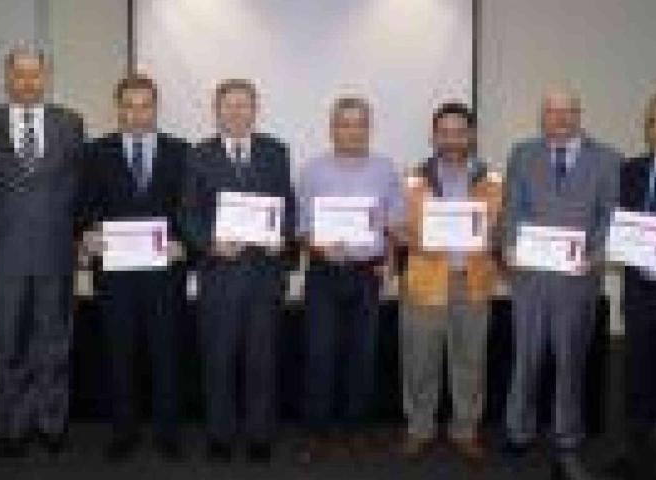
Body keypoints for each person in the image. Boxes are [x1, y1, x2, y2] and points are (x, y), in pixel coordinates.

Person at [0, 47, 86, 458]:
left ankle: (52, 424)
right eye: (19, 75)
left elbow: (77, 186)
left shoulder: (70, 122)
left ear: (46, 78)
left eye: (35, 75)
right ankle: (14, 426)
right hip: (8, 255)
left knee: (54, 343)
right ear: (7, 78)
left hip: (57, 252)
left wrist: (73, 234)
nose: (27, 82)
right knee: (11, 343)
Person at [502, 87, 620, 480]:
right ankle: (519, 430)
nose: (560, 119)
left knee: (570, 362)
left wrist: (596, 256)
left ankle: (567, 438)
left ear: (579, 114)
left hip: (578, 280)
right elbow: (511, 210)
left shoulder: (607, 159)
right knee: (526, 358)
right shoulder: (522, 153)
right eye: (552, 112)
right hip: (530, 278)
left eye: (568, 111)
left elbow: (610, 218)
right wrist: (509, 246)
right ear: (542, 116)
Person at [183, 79, 295, 462]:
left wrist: (283, 237)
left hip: (264, 275)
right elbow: (188, 213)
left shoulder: (275, 152)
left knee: (262, 362)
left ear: (255, 109)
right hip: (219, 276)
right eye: (228, 106)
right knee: (218, 360)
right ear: (217, 110)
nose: (236, 112)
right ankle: (219, 435)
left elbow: (288, 207)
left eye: (244, 105)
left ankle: (260, 436)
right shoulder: (198, 155)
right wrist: (212, 244)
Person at [84, 74, 189, 461]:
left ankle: (168, 433)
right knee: (119, 355)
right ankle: (123, 431)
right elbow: (84, 205)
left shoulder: (182, 152)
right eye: (129, 105)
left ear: (155, 108)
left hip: (165, 274)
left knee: (166, 355)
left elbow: (190, 210)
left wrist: (186, 244)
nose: (137, 113)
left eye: (145, 105)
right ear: (118, 108)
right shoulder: (95, 152)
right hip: (114, 277)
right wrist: (87, 234)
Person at [294, 96, 404, 462]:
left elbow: (394, 225)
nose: (352, 130)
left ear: (368, 128)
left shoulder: (387, 170)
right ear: (333, 128)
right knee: (319, 355)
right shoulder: (311, 171)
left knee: (362, 355)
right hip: (324, 273)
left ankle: (357, 429)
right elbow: (301, 229)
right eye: (345, 123)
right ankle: (315, 433)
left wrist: (389, 263)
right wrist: (320, 247)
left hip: (367, 273)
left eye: (359, 124)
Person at [400, 102, 502, 467]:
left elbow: (504, 228)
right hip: (425, 281)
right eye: (444, 132)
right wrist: (413, 238)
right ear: (433, 135)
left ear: (471, 135)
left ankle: (465, 430)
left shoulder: (493, 180)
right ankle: (420, 427)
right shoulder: (413, 178)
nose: (452, 139)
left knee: (470, 360)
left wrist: (497, 239)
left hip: (472, 283)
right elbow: (395, 227)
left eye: (460, 131)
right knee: (420, 359)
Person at [607, 89, 656, 480]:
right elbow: (615, 227)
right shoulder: (629, 171)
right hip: (638, 296)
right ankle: (634, 456)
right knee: (636, 381)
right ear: (648, 128)